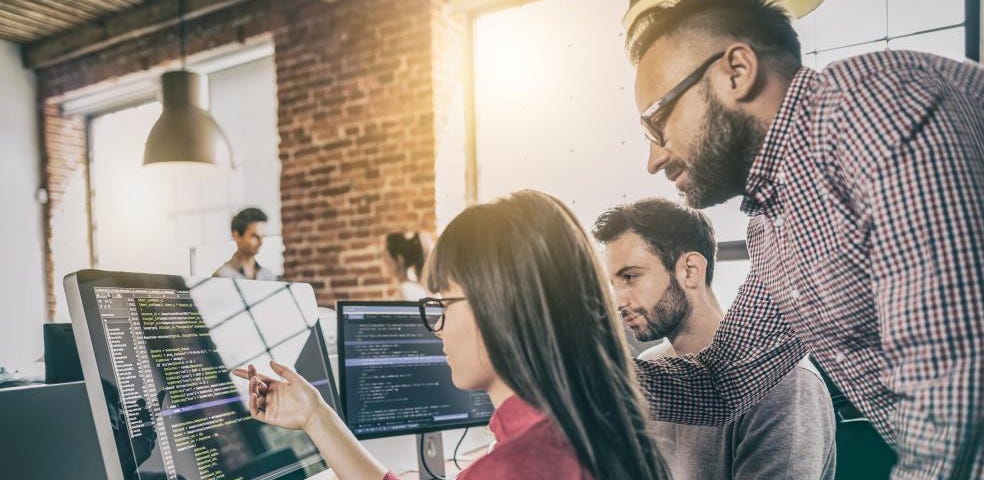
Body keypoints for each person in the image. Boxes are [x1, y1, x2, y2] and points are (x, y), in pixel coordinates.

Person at [622, 0, 984, 478]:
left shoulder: (880, 111)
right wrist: (577, 374)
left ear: (736, 70)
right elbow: (723, 382)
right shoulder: (774, 224)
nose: (654, 159)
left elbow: (956, 399)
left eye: (657, 121)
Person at [233, 190, 669, 480]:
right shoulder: (606, 430)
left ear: (501, 307)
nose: (435, 325)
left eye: (442, 302)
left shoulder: (516, 467)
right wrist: (315, 415)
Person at [594, 197, 835, 480]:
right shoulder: (651, 366)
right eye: (612, 283)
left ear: (690, 270)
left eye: (631, 276)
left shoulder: (784, 382)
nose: (617, 299)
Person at [213, 207, 277, 281]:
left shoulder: (268, 276)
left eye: (262, 236)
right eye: (255, 236)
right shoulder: (222, 276)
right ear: (236, 236)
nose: (261, 242)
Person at [382, 231, 429, 300]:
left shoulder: (406, 291)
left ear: (399, 259)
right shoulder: (411, 288)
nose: (383, 262)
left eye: (386, 257)